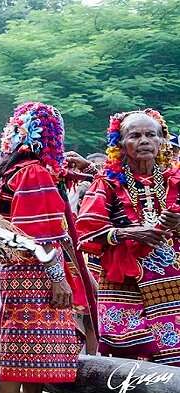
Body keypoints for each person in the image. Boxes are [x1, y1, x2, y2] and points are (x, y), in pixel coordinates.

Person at [0, 102, 83, 393]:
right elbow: (39, 236)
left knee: (26, 353)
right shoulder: (33, 173)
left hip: (13, 270)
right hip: (34, 271)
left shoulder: (9, 171)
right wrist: (58, 278)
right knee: (26, 353)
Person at [76, 109, 180, 366]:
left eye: (151, 134)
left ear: (161, 141)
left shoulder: (175, 181)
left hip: (172, 285)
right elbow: (86, 233)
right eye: (134, 135)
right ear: (120, 144)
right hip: (122, 283)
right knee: (127, 360)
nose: (144, 140)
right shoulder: (107, 184)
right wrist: (128, 233)